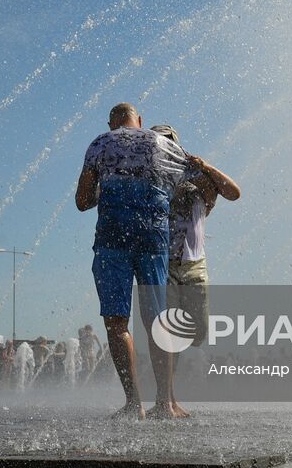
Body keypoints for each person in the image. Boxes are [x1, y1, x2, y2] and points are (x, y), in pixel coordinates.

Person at [75, 102, 214, 419]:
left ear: (113, 124)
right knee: (158, 322)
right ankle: (165, 403)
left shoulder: (99, 144)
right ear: (139, 121)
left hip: (112, 241)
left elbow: (82, 201)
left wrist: (106, 190)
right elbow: (206, 181)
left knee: (116, 322)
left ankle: (133, 404)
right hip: (153, 239)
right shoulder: (162, 144)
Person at [150, 124, 240, 417]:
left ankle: (168, 399)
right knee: (168, 334)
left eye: (168, 143)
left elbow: (234, 193)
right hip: (162, 265)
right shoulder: (153, 184)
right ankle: (167, 401)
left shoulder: (198, 184)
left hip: (193, 266)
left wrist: (206, 166)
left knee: (197, 331)